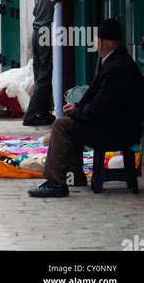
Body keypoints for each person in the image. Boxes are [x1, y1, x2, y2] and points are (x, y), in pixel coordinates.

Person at [28, 19, 144, 198]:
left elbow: (98, 109)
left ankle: (55, 182)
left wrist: (76, 111)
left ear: (101, 42)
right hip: (120, 127)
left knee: (61, 126)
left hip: (117, 132)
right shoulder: (119, 61)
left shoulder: (116, 68)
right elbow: (99, 101)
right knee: (72, 120)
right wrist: (78, 107)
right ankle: (76, 174)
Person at [22, 0, 62, 127]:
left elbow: (34, 11)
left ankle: (43, 113)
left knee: (40, 75)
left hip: (37, 33)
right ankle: (30, 115)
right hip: (45, 34)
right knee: (44, 77)